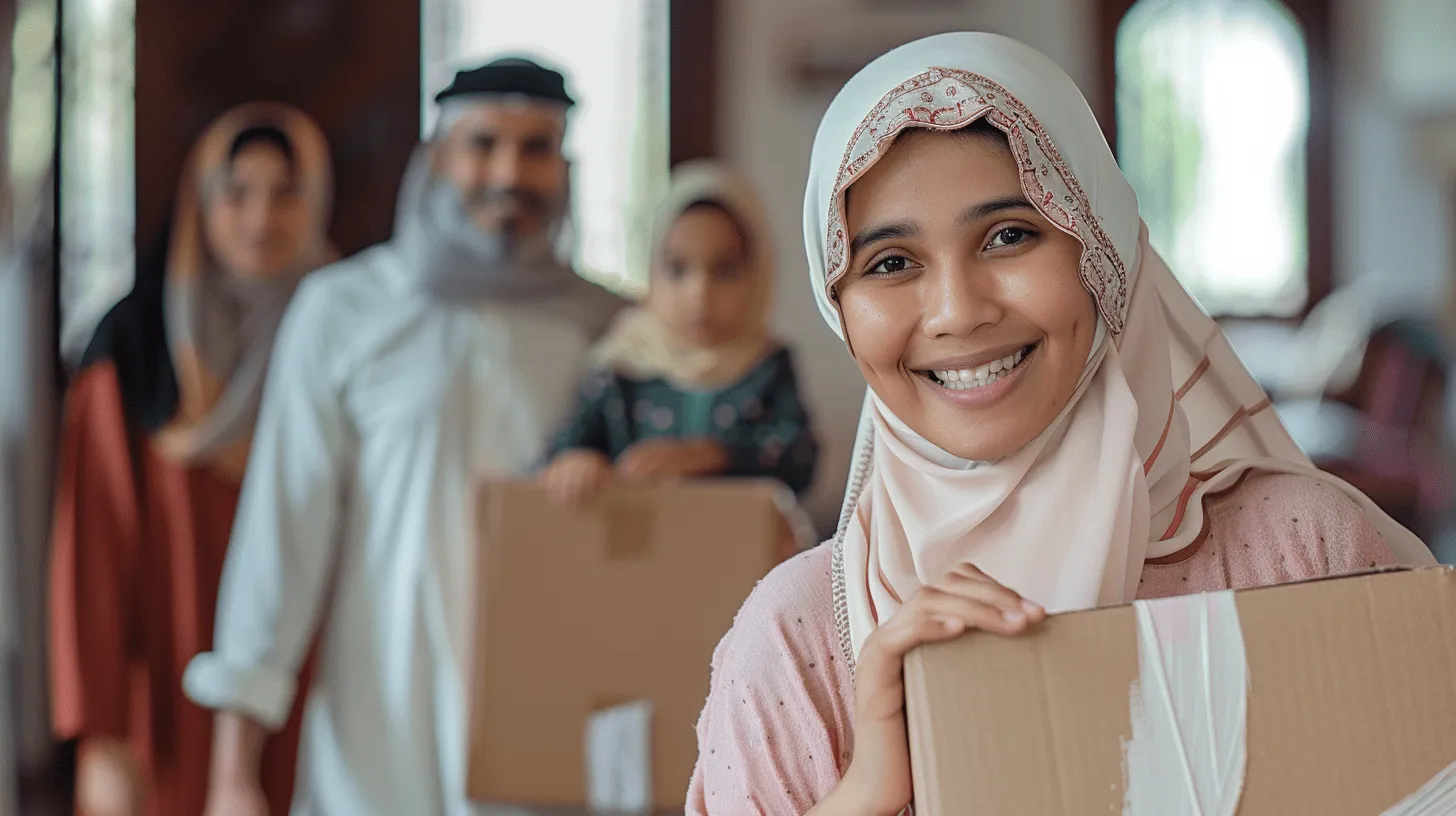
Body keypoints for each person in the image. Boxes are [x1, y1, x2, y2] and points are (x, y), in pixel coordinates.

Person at [685, 33, 1437, 815]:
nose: (958, 311)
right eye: (890, 263)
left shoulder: (1301, 555)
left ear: (1102, 252)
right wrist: (872, 789)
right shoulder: (797, 641)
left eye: (1010, 235)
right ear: (838, 307)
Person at [182, 58, 624, 815]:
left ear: (565, 168)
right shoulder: (342, 309)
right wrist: (234, 772)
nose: (509, 171)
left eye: (536, 148)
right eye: (483, 143)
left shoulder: (613, 330)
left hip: (554, 740)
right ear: (439, 157)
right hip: (378, 736)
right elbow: (282, 534)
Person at [49, 103, 335, 816]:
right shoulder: (136, 349)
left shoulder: (348, 333)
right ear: (200, 199)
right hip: (166, 703)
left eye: (286, 192)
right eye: (236, 192)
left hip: (316, 690)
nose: (260, 218)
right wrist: (98, 734)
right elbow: (94, 552)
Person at [542, 161, 819, 503]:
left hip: (739, 552)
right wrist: (576, 462)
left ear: (759, 273)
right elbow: (567, 445)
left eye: (725, 270)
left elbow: (800, 460)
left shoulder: (767, 366)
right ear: (651, 269)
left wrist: (712, 456)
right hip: (632, 552)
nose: (699, 294)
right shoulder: (621, 367)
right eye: (677, 269)